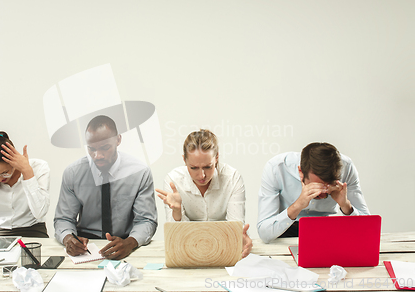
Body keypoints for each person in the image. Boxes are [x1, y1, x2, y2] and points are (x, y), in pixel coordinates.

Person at [54, 115, 158, 260]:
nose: (98, 156)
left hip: (124, 243)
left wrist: (129, 243)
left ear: (118, 140)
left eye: (105, 148)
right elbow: (64, 218)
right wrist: (68, 239)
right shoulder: (73, 173)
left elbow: (146, 220)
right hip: (85, 247)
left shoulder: (139, 172)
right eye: (91, 149)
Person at [156, 129, 253, 258]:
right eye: (194, 168)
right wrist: (177, 212)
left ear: (217, 158)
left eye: (208, 167)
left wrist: (241, 239)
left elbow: (235, 228)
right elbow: (175, 240)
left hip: (224, 249)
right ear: (184, 160)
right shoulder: (173, 181)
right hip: (186, 250)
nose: (202, 175)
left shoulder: (232, 178)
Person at [257, 142, 370, 244]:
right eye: (315, 186)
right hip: (283, 232)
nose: (321, 194)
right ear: (301, 172)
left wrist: (345, 205)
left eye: (327, 188)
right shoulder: (276, 168)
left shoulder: (347, 168)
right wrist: (298, 205)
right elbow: (264, 233)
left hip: (326, 230)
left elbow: (368, 230)